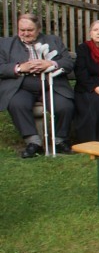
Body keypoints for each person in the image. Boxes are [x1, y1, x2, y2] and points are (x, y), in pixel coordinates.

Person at [0, 12, 75, 157]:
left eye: (30, 30)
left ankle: (59, 140)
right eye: (22, 30)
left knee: (65, 105)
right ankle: (33, 142)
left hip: (51, 85)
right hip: (22, 86)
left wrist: (51, 63)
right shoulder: (5, 44)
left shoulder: (54, 41)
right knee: (17, 104)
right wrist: (20, 67)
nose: (25, 33)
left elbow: (68, 63)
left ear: (38, 29)